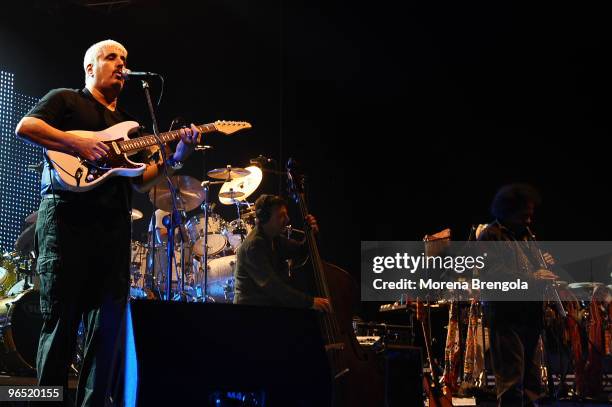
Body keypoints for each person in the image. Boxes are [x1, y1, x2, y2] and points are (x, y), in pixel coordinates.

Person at [15, 39, 199, 406]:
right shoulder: (66, 100)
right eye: (112, 57)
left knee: (106, 334)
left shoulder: (128, 127)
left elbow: (141, 180)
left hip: (112, 233)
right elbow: (26, 126)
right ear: (90, 68)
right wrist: (76, 144)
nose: (121, 64)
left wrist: (176, 159)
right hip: (66, 223)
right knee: (60, 329)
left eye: (125, 59)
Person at [478, 184, 558, 406]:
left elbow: (531, 270)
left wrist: (544, 264)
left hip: (529, 315)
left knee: (533, 383)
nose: (529, 221)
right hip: (505, 318)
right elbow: (495, 274)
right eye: (524, 215)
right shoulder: (490, 236)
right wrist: (535, 278)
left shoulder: (526, 237)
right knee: (511, 382)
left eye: (531, 215)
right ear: (507, 210)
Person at [233, 194, 331, 312]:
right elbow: (273, 286)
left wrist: (311, 234)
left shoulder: (274, 238)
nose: (288, 219)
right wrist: (309, 301)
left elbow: (300, 251)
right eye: (281, 216)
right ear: (265, 218)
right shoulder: (254, 246)